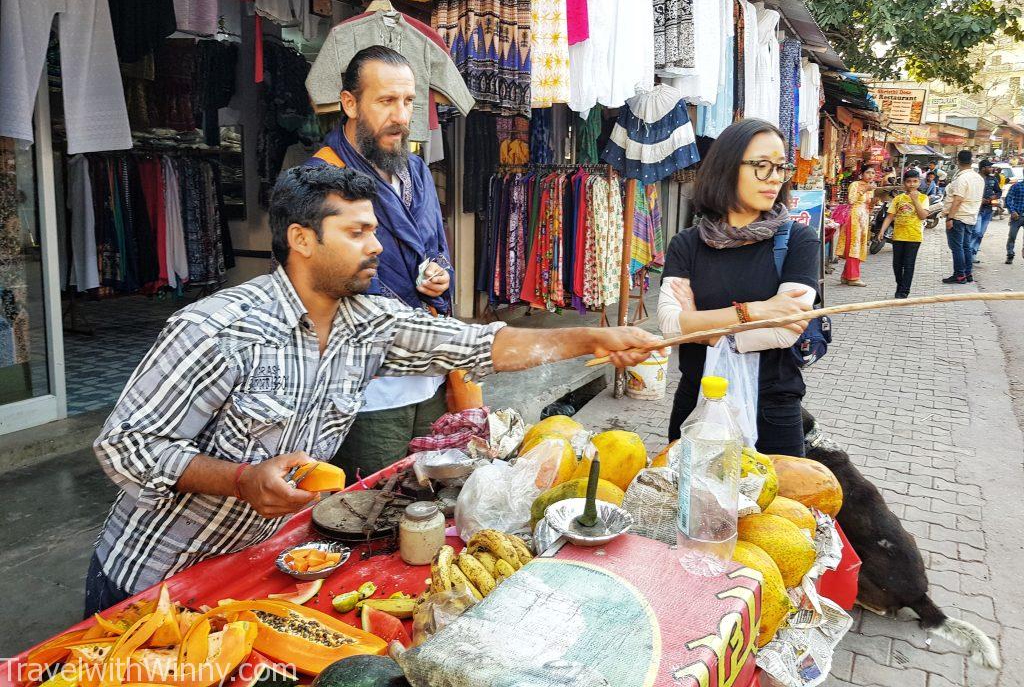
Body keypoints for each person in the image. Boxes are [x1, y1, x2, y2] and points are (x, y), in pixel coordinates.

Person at [86, 162, 660, 615]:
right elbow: (124, 446)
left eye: (376, 230)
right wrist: (237, 480)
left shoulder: (368, 320)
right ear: (300, 240)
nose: (377, 246)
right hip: (154, 578)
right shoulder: (218, 328)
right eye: (357, 232)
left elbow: (479, 344)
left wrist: (597, 338)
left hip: (254, 568)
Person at [305, 46, 454, 477]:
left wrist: (438, 275)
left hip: (429, 367)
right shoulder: (319, 179)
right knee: (374, 505)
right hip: (367, 383)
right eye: (386, 101)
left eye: (408, 102)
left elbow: (434, 245)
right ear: (349, 103)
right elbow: (314, 283)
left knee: (432, 492)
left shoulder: (416, 170)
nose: (401, 115)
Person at [658, 118, 819, 457]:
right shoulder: (687, 244)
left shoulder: (797, 241)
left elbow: (783, 332)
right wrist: (753, 312)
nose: (774, 177)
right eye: (762, 166)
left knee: (778, 509)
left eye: (780, 167)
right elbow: (671, 327)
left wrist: (701, 326)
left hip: (772, 410)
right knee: (692, 505)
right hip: (696, 404)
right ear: (727, 166)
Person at [877, 169, 929, 298]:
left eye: (915, 181)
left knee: (909, 264)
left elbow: (923, 216)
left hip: (914, 236)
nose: (912, 184)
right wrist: (882, 231)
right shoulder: (898, 199)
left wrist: (915, 200)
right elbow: (890, 216)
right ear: (904, 183)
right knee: (897, 265)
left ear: (919, 182)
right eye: (909, 182)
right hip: (898, 235)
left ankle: (904, 291)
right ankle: (900, 285)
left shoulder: (923, 198)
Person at [942, 150, 984, 284]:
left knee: (957, 248)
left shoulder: (962, 178)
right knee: (966, 246)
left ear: (957, 161)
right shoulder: (978, 178)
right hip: (971, 217)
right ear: (971, 161)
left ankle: (959, 275)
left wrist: (950, 218)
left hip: (958, 218)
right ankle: (968, 274)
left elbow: (958, 200)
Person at [836, 166, 873, 287]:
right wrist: (864, 190)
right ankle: (853, 277)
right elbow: (851, 200)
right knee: (854, 245)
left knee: (859, 245)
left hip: (864, 218)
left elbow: (869, 204)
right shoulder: (855, 184)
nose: (871, 175)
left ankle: (846, 276)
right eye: (868, 172)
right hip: (854, 217)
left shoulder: (871, 187)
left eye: (873, 173)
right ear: (861, 174)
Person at [970, 159, 1001, 262]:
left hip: (988, 211)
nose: (991, 169)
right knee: (976, 231)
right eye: (989, 167)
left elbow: (999, 192)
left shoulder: (993, 179)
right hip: (976, 210)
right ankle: (968, 252)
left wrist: (993, 197)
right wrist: (979, 199)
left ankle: (973, 254)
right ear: (983, 168)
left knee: (981, 233)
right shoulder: (974, 179)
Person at [1007, 177, 1024, 264]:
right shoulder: (1016, 186)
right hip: (1017, 216)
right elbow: (1008, 199)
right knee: (1012, 236)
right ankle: (1010, 254)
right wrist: (1012, 211)